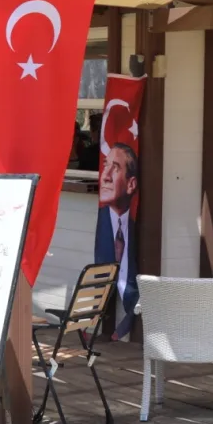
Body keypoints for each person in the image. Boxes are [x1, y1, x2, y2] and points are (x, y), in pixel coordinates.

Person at [94, 142, 139, 339]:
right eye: (105, 165)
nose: (105, 176)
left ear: (131, 184)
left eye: (116, 168)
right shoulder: (102, 223)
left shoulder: (134, 228)